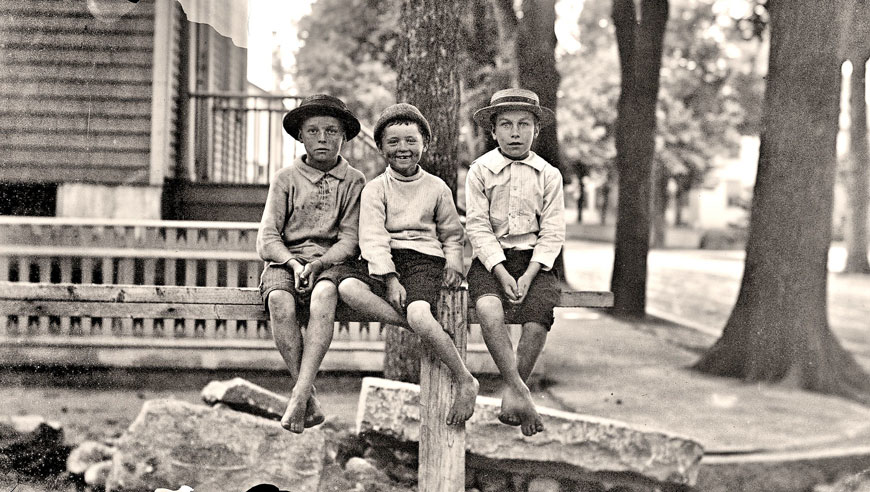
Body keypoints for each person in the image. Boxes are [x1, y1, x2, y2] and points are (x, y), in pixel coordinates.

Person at [337, 103, 479, 425]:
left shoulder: (436, 187)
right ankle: (419, 328)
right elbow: (373, 237)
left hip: (424, 260)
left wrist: (455, 262)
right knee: (347, 287)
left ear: (424, 144)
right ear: (382, 147)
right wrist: (389, 279)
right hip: (384, 260)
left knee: (418, 310)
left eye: (411, 141)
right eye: (394, 141)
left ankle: (465, 379)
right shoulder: (375, 189)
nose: (403, 148)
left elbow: (451, 232)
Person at [256, 94, 366, 433]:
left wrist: (319, 264)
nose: (322, 138)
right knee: (279, 300)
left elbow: (350, 238)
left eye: (332, 131)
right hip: (286, 261)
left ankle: (299, 395)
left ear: (344, 137)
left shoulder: (354, 181)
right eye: (313, 130)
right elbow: (267, 238)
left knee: (323, 298)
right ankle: (308, 396)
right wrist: (291, 263)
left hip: (332, 263)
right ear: (301, 136)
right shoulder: (286, 178)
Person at [465, 88, 565, 437]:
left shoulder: (548, 174)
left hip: (535, 261)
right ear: (493, 131)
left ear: (537, 130)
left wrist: (531, 272)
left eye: (524, 124)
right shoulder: (480, 170)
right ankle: (522, 391)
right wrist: (501, 270)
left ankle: (512, 390)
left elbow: (553, 230)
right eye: (506, 125)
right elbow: (477, 226)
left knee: (538, 320)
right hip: (491, 259)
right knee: (490, 311)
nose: (515, 132)